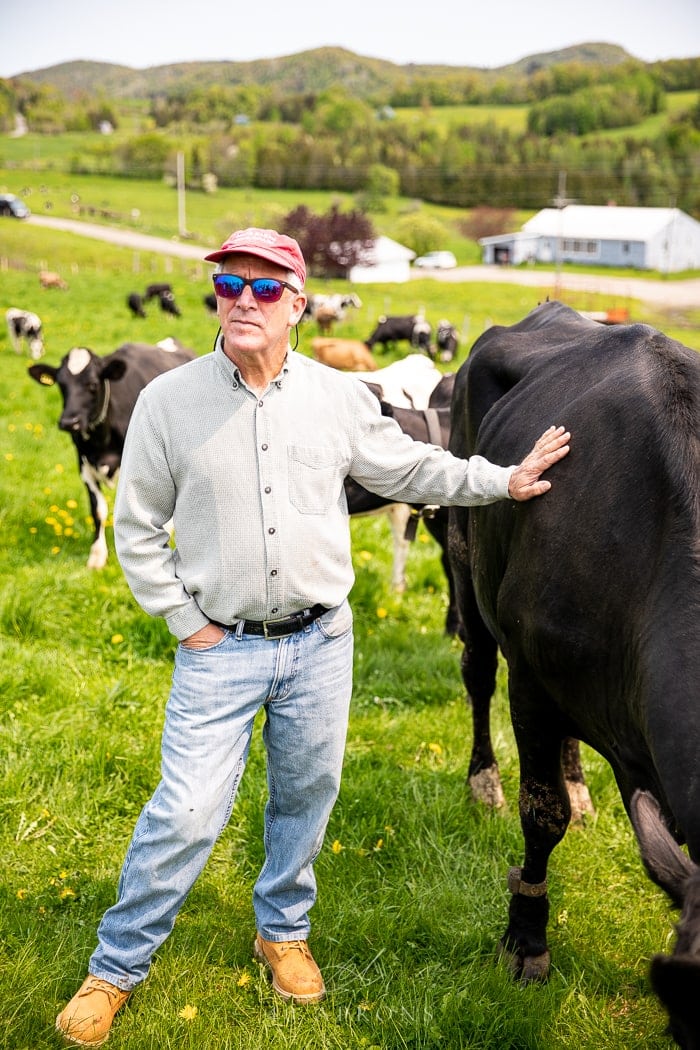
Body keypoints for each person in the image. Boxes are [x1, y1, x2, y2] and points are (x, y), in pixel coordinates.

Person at [56, 228, 570, 1046]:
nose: (241, 300)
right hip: (218, 646)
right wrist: (187, 624)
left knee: (305, 799)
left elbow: (411, 468)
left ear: (298, 303)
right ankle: (114, 968)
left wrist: (499, 480)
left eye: (264, 289)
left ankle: (282, 932)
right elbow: (138, 527)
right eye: (228, 284)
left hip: (320, 646)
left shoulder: (338, 397)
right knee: (186, 812)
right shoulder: (167, 401)